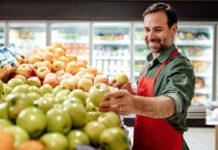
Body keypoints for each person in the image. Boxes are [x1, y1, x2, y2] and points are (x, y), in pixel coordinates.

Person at [98, 2, 195, 150]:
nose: (150, 36)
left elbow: (172, 104)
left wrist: (135, 103)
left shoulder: (181, 66)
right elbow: (152, 99)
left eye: (158, 29)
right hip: (143, 142)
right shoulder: (149, 61)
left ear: (173, 29)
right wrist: (131, 93)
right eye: (146, 29)